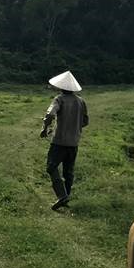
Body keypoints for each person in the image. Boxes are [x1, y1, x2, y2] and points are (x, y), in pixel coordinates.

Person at [40, 70, 88, 210]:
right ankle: (66, 197)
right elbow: (85, 121)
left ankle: (62, 196)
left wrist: (44, 129)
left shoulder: (59, 99)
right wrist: (74, 126)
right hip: (74, 142)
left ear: (61, 87)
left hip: (59, 141)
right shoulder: (81, 101)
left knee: (51, 167)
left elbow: (50, 115)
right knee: (68, 171)